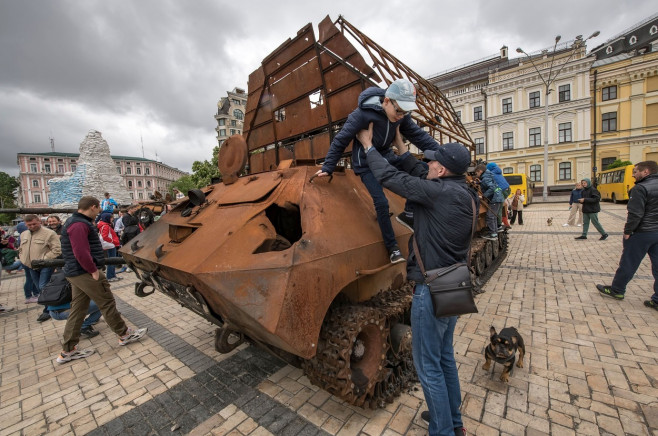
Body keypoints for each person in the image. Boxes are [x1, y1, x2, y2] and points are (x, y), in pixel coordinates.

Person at [359, 124, 471, 436]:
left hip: (431, 289)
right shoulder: (464, 193)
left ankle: (443, 431)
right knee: (445, 357)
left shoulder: (435, 193)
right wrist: (399, 144)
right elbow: (418, 171)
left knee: (429, 367)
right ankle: (453, 421)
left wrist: (368, 146)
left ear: (443, 169)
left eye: (433, 161)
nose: (428, 163)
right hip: (455, 284)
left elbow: (390, 178)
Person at [314, 79, 440, 264]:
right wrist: (328, 167)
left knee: (421, 172)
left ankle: (409, 213)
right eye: (399, 111)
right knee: (381, 202)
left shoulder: (400, 116)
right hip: (365, 163)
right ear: (387, 101)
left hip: (386, 157)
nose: (401, 116)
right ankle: (392, 248)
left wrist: (440, 155)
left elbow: (418, 136)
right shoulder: (362, 115)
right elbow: (341, 139)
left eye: (406, 112)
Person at [55, 196, 147, 364]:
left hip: (77, 272)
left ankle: (68, 349)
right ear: (93, 207)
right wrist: (93, 270)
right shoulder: (79, 225)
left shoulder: (74, 222)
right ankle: (124, 334)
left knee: (78, 309)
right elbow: (81, 252)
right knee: (106, 302)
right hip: (85, 273)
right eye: (98, 209)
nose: (99, 212)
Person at [596, 161, 658, 310]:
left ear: (646, 172)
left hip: (642, 232)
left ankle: (617, 290)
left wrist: (628, 231)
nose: (633, 175)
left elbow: (635, 214)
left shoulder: (640, 188)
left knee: (628, 263)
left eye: (636, 171)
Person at [18, 214, 62, 301]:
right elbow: (21, 248)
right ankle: (48, 306)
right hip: (31, 265)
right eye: (29, 225)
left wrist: (44, 259)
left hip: (45, 264)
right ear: (25, 224)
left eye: (34, 224)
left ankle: (49, 308)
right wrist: (23, 259)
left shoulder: (49, 233)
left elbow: (57, 249)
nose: (32, 226)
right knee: (38, 287)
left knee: (43, 286)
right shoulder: (24, 234)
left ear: (39, 222)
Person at [475, 164, 504, 241]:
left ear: (480, 171)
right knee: (493, 216)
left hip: (495, 198)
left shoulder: (485, 178)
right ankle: (494, 232)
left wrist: (484, 196)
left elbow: (491, 187)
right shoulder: (488, 175)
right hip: (498, 197)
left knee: (490, 216)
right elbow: (489, 184)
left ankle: (493, 234)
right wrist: (479, 183)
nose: (476, 175)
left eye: (476, 173)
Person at [97, 212, 122, 282]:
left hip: (110, 245)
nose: (112, 219)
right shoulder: (106, 226)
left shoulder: (104, 225)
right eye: (111, 218)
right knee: (112, 261)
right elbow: (105, 236)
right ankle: (110, 276)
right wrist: (112, 241)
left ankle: (112, 275)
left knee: (112, 260)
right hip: (110, 245)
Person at [486, 162, 511, 229]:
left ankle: (498, 224)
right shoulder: (497, 172)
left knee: (498, 207)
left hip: (502, 190)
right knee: (500, 205)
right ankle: (500, 223)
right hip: (507, 189)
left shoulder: (491, 174)